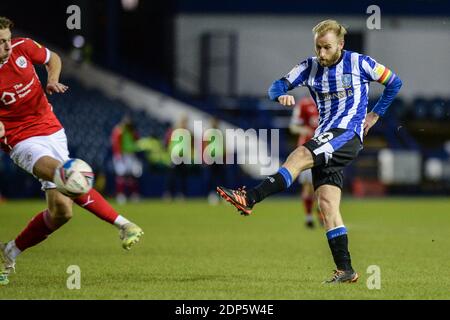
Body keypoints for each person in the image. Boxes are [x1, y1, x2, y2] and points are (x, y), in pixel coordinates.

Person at [217, 19, 402, 283]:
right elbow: (276, 86)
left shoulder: (361, 63)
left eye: (327, 48)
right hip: (326, 135)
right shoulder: (309, 66)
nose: (322, 54)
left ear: (341, 44)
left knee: (300, 155)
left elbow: (394, 83)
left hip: (347, 134)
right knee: (327, 205)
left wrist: (374, 116)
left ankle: (251, 198)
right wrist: (279, 95)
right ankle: (346, 270)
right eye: (318, 48)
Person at [0, 17, 143, 286]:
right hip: (21, 141)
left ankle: (9, 251)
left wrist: (52, 79)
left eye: (8, 39)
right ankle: (124, 225)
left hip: (52, 130)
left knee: (62, 212)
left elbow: (52, 58)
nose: (7, 46)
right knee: (66, 176)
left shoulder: (22, 47)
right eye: (0, 42)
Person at [289, 96, 324, 228]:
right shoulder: (304, 104)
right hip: (307, 149)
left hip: (325, 148)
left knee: (324, 185)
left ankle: (321, 214)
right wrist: (304, 130)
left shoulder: (329, 100)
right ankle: (309, 217)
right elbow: (293, 126)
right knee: (308, 186)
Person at [111, 116, 143, 204]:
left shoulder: (132, 131)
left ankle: (134, 195)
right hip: (122, 155)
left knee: (132, 176)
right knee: (121, 175)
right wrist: (118, 155)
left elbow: (137, 140)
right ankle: (120, 195)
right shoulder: (118, 130)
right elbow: (116, 143)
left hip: (131, 154)